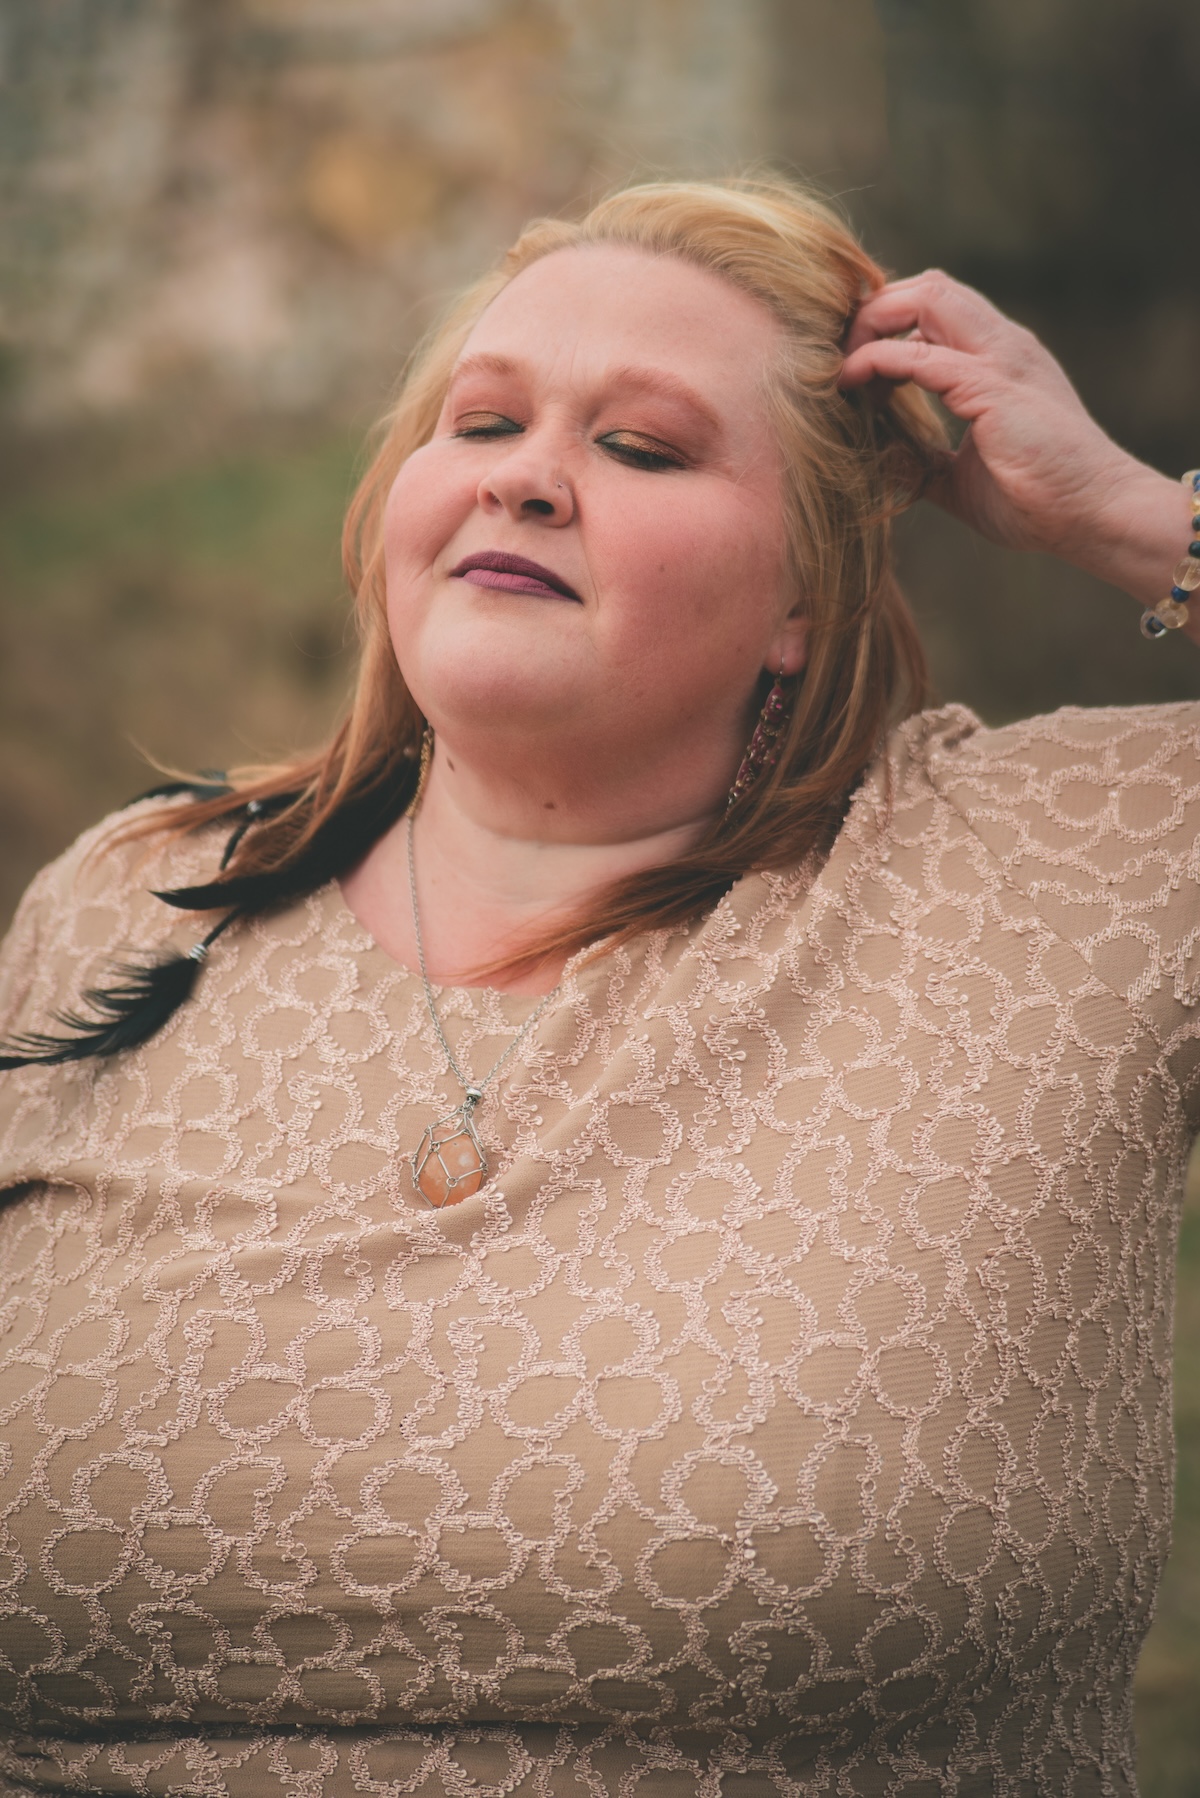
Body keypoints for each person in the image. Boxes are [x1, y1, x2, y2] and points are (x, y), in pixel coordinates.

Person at [0, 175, 1196, 1798]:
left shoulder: (1064, 873)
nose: (530, 482)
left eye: (641, 447)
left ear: (802, 600)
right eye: (482, 425)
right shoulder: (133, 901)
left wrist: (1129, 514)